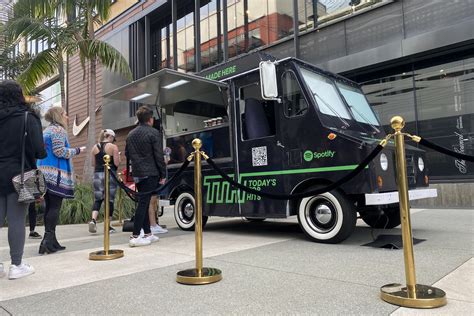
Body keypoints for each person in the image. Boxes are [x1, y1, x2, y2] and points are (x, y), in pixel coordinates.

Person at [0, 80, 46, 279]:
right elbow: (40, 151)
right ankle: (16, 265)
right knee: (17, 220)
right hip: (20, 174)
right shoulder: (28, 117)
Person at [37, 107, 86, 254]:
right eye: (65, 114)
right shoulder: (58, 130)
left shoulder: (46, 131)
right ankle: (47, 241)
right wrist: (78, 150)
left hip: (44, 172)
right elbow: (60, 151)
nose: (67, 117)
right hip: (55, 174)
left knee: (50, 206)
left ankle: (51, 240)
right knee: (54, 207)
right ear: (59, 116)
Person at [125, 106, 166, 247]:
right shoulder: (153, 133)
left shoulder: (130, 134)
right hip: (150, 172)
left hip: (137, 173)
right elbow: (158, 155)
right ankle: (135, 235)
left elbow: (127, 155)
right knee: (144, 203)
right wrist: (163, 173)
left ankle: (147, 233)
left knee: (144, 201)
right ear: (150, 119)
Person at [88, 129, 120, 234]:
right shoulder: (113, 147)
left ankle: (93, 220)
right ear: (110, 137)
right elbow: (116, 163)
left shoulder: (94, 147)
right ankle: (108, 226)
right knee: (109, 200)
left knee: (98, 199)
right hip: (110, 175)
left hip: (97, 174)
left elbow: (93, 163)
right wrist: (118, 158)